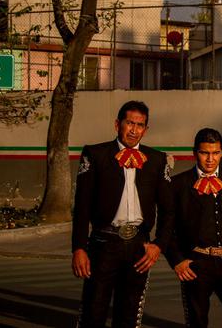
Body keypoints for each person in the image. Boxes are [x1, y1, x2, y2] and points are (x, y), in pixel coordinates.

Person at [72, 100, 174, 327]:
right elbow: (82, 207)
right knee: (93, 312)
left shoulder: (157, 160)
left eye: (140, 125)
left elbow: (169, 210)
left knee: (128, 316)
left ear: (146, 129)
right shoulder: (95, 154)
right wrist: (79, 248)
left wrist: (159, 245)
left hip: (139, 247)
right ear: (118, 124)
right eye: (130, 123)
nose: (134, 130)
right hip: (103, 243)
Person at [166, 128, 222, 327]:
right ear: (194, 152)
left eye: (215, 153)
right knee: (197, 319)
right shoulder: (178, 184)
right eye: (205, 152)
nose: (210, 159)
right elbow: (167, 228)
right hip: (196, 262)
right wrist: (177, 261)